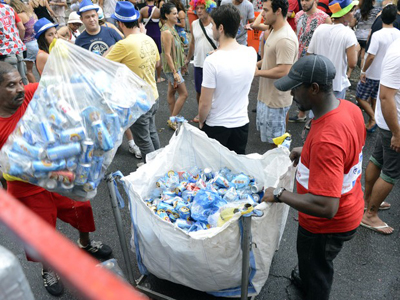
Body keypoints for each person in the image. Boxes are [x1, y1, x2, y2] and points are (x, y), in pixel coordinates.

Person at [0, 61, 112, 296]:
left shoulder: (30, 93)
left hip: (61, 172)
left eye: (21, 81)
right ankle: (47, 268)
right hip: (25, 187)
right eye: (11, 85)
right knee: (41, 231)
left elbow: (65, 84)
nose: (21, 88)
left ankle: (86, 243)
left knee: (81, 207)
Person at [263, 54, 365, 300]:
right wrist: (307, 150)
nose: (291, 95)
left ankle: (313, 288)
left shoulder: (326, 140)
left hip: (326, 227)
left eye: (296, 89)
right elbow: (343, 155)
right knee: (313, 264)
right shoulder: (348, 108)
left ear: (314, 88)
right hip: (351, 206)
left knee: (317, 268)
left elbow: (326, 206)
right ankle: (307, 277)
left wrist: (280, 194)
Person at [106, 1, 160, 163]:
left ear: (120, 23)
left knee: (143, 141)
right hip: (153, 95)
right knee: (152, 132)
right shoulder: (147, 38)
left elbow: (102, 63)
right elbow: (158, 63)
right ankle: (160, 164)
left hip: (137, 102)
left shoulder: (123, 45)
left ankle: (153, 171)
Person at [198, 4, 257, 154]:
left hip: (216, 125)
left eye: (213, 25)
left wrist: (200, 120)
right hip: (241, 124)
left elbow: (205, 103)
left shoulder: (212, 61)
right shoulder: (250, 53)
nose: (211, 29)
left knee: (213, 171)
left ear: (221, 28)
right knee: (237, 170)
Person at [360, 37, 400, 235]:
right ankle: (370, 214)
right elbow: (385, 96)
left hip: (388, 122)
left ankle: (367, 201)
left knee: (377, 159)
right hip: (394, 124)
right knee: (391, 172)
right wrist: (397, 133)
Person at [254, 0, 298, 149]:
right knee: (273, 140)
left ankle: (279, 170)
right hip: (268, 96)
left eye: (265, 10)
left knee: (278, 143)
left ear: (278, 11)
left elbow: (284, 70)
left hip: (276, 100)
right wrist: (256, 65)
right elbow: (269, 58)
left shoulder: (285, 38)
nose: (262, 14)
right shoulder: (274, 30)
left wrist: (257, 72)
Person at [356, 4, 400, 132]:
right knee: (376, 98)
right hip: (385, 74)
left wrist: (363, 71)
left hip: (372, 72)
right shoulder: (398, 33)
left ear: (381, 18)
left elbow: (370, 57)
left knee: (360, 97)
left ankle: (373, 118)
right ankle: (375, 121)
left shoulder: (377, 35)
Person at [288, 0, 331, 123]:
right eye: (302, 0)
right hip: (298, 57)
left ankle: (315, 117)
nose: (303, 3)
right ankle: (302, 113)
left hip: (315, 58)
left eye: (307, 0)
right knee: (300, 86)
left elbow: (328, 40)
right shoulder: (298, 15)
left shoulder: (324, 18)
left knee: (313, 87)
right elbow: (298, 35)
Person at [307, 0, 359, 99]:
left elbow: (309, 55)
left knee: (317, 112)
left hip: (318, 83)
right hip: (337, 84)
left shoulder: (320, 29)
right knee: (334, 113)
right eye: (352, 11)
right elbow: (353, 63)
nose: (354, 14)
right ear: (344, 14)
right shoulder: (348, 33)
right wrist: (355, 49)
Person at [184, 0, 217, 123]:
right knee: (199, 91)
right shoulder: (194, 24)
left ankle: (213, 113)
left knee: (213, 91)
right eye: (197, 8)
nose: (198, 11)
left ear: (208, 9)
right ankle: (201, 112)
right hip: (198, 63)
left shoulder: (215, 23)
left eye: (202, 8)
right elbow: (192, 42)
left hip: (213, 64)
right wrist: (188, 59)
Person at [160, 2, 188, 130]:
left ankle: (173, 118)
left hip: (175, 66)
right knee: (184, 94)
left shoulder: (171, 28)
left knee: (171, 92)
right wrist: (175, 72)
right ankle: (173, 119)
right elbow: (167, 54)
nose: (177, 15)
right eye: (174, 13)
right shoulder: (167, 32)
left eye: (177, 13)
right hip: (172, 68)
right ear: (166, 15)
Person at [9, 0, 38, 83]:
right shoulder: (32, 14)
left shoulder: (19, 16)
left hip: (28, 44)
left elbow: (22, 28)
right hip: (36, 42)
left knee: (28, 71)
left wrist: (20, 40)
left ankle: (35, 90)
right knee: (37, 68)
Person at [0, 1, 27, 84]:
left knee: (11, 83)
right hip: (17, 48)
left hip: (4, 51)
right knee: (23, 80)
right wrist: (19, 40)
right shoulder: (9, 8)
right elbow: (22, 28)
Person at [351, 0, 381, 76]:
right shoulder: (377, 11)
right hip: (368, 36)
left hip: (357, 36)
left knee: (355, 54)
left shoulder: (358, 11)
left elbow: (352, 24)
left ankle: (349, 74)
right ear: (373, 1)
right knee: (363, 57)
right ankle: (361, 73)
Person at [139, 0, 164, 83]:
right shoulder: (158, 11)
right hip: (156, 34)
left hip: (146, 34)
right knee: (158, 55)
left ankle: (148, 76)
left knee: (146, 54)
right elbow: (163, 23)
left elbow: (138, 23)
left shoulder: (142, 10)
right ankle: (159, 77)